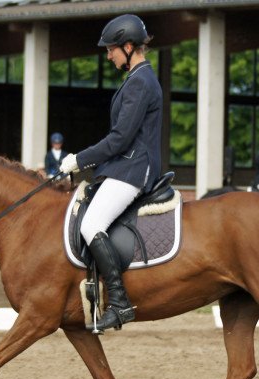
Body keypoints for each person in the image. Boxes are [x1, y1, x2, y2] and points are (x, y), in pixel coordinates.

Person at [59, 14, 162, 333]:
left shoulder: (141, 81)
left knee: (91, 224)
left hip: (134, 168)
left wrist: (79, 159)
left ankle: (119, 302)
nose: (109, 54)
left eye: (112, 49)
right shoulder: (136, 79)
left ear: (129, 47)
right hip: (124, 165)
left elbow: (120, 139)